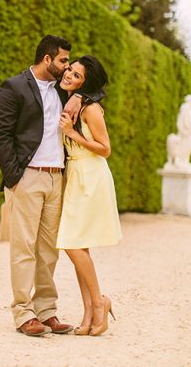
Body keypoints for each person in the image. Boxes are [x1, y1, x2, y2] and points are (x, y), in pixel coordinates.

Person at [0, 35, 82, 337]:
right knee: (24, 248)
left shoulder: (63, 90)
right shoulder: (14, 86)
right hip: (27, 177)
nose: (67, 66)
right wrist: (15, 178)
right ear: (47, 59)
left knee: (48, 251)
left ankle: (46, 311)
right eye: (63, 60)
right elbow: (1, 136)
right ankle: (23, 313)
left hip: (58, 178)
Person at [56, 55, 122, 337]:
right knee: (78, 246)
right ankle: (88, 312)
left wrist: (72, 133)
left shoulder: (91, 109)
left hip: (91, 176)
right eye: (70, 69)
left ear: (86, 83)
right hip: (76, 174)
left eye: (77, 75)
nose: (69, 74)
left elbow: (105, 148)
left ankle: (99, 301)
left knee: (72, 245)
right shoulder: (72, 100)